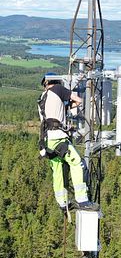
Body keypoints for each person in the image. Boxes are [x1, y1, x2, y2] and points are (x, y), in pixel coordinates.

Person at [38, 72, 98, 212]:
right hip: (59, 138)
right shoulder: (58, 90)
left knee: (58, 171)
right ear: (57, 82)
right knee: (77, 163)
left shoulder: (42, 98)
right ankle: (82, 200)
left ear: (45, 84)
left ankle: (62, 203)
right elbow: (78, 100)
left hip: (47, 142)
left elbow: (57, 112)